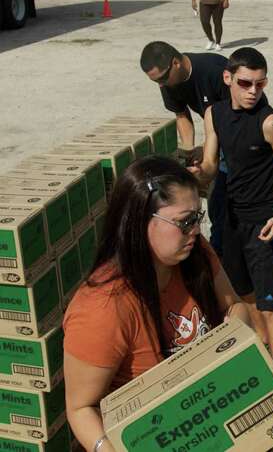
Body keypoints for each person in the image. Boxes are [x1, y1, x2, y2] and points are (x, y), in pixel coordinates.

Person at [63, 156, 250, 452]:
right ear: (140, 221)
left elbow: (235, 306)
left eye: (198, 218)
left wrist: (230, 338)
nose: (196, 231)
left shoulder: (195, 255)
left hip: (205, 419)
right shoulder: (102, 308)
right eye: (184, 221)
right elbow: (80, 408)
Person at [190, 48, 273, 355]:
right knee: (242, 290)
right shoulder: (215, 114)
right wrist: (198, 174)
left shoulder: (270, 123)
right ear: (228, 78)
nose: (253, 91)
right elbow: (211, 165)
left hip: (265, 220)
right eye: (245, 83)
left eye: (260, 84)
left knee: (271, 305)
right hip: (232, 217)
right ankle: (263, 344)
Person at [140, 41, 229, 256]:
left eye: (161, 78)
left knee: (223, 195)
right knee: (215, 201)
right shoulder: (167, 82)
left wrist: (208, 155)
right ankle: (221, 252)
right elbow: (182, 116)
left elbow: (230, 123)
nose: (160, 85)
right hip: (217, 130)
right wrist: (188, 154)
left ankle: (223, 256)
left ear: (176, 63)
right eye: (155, 81)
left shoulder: (214, 72)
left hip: (240, 130)